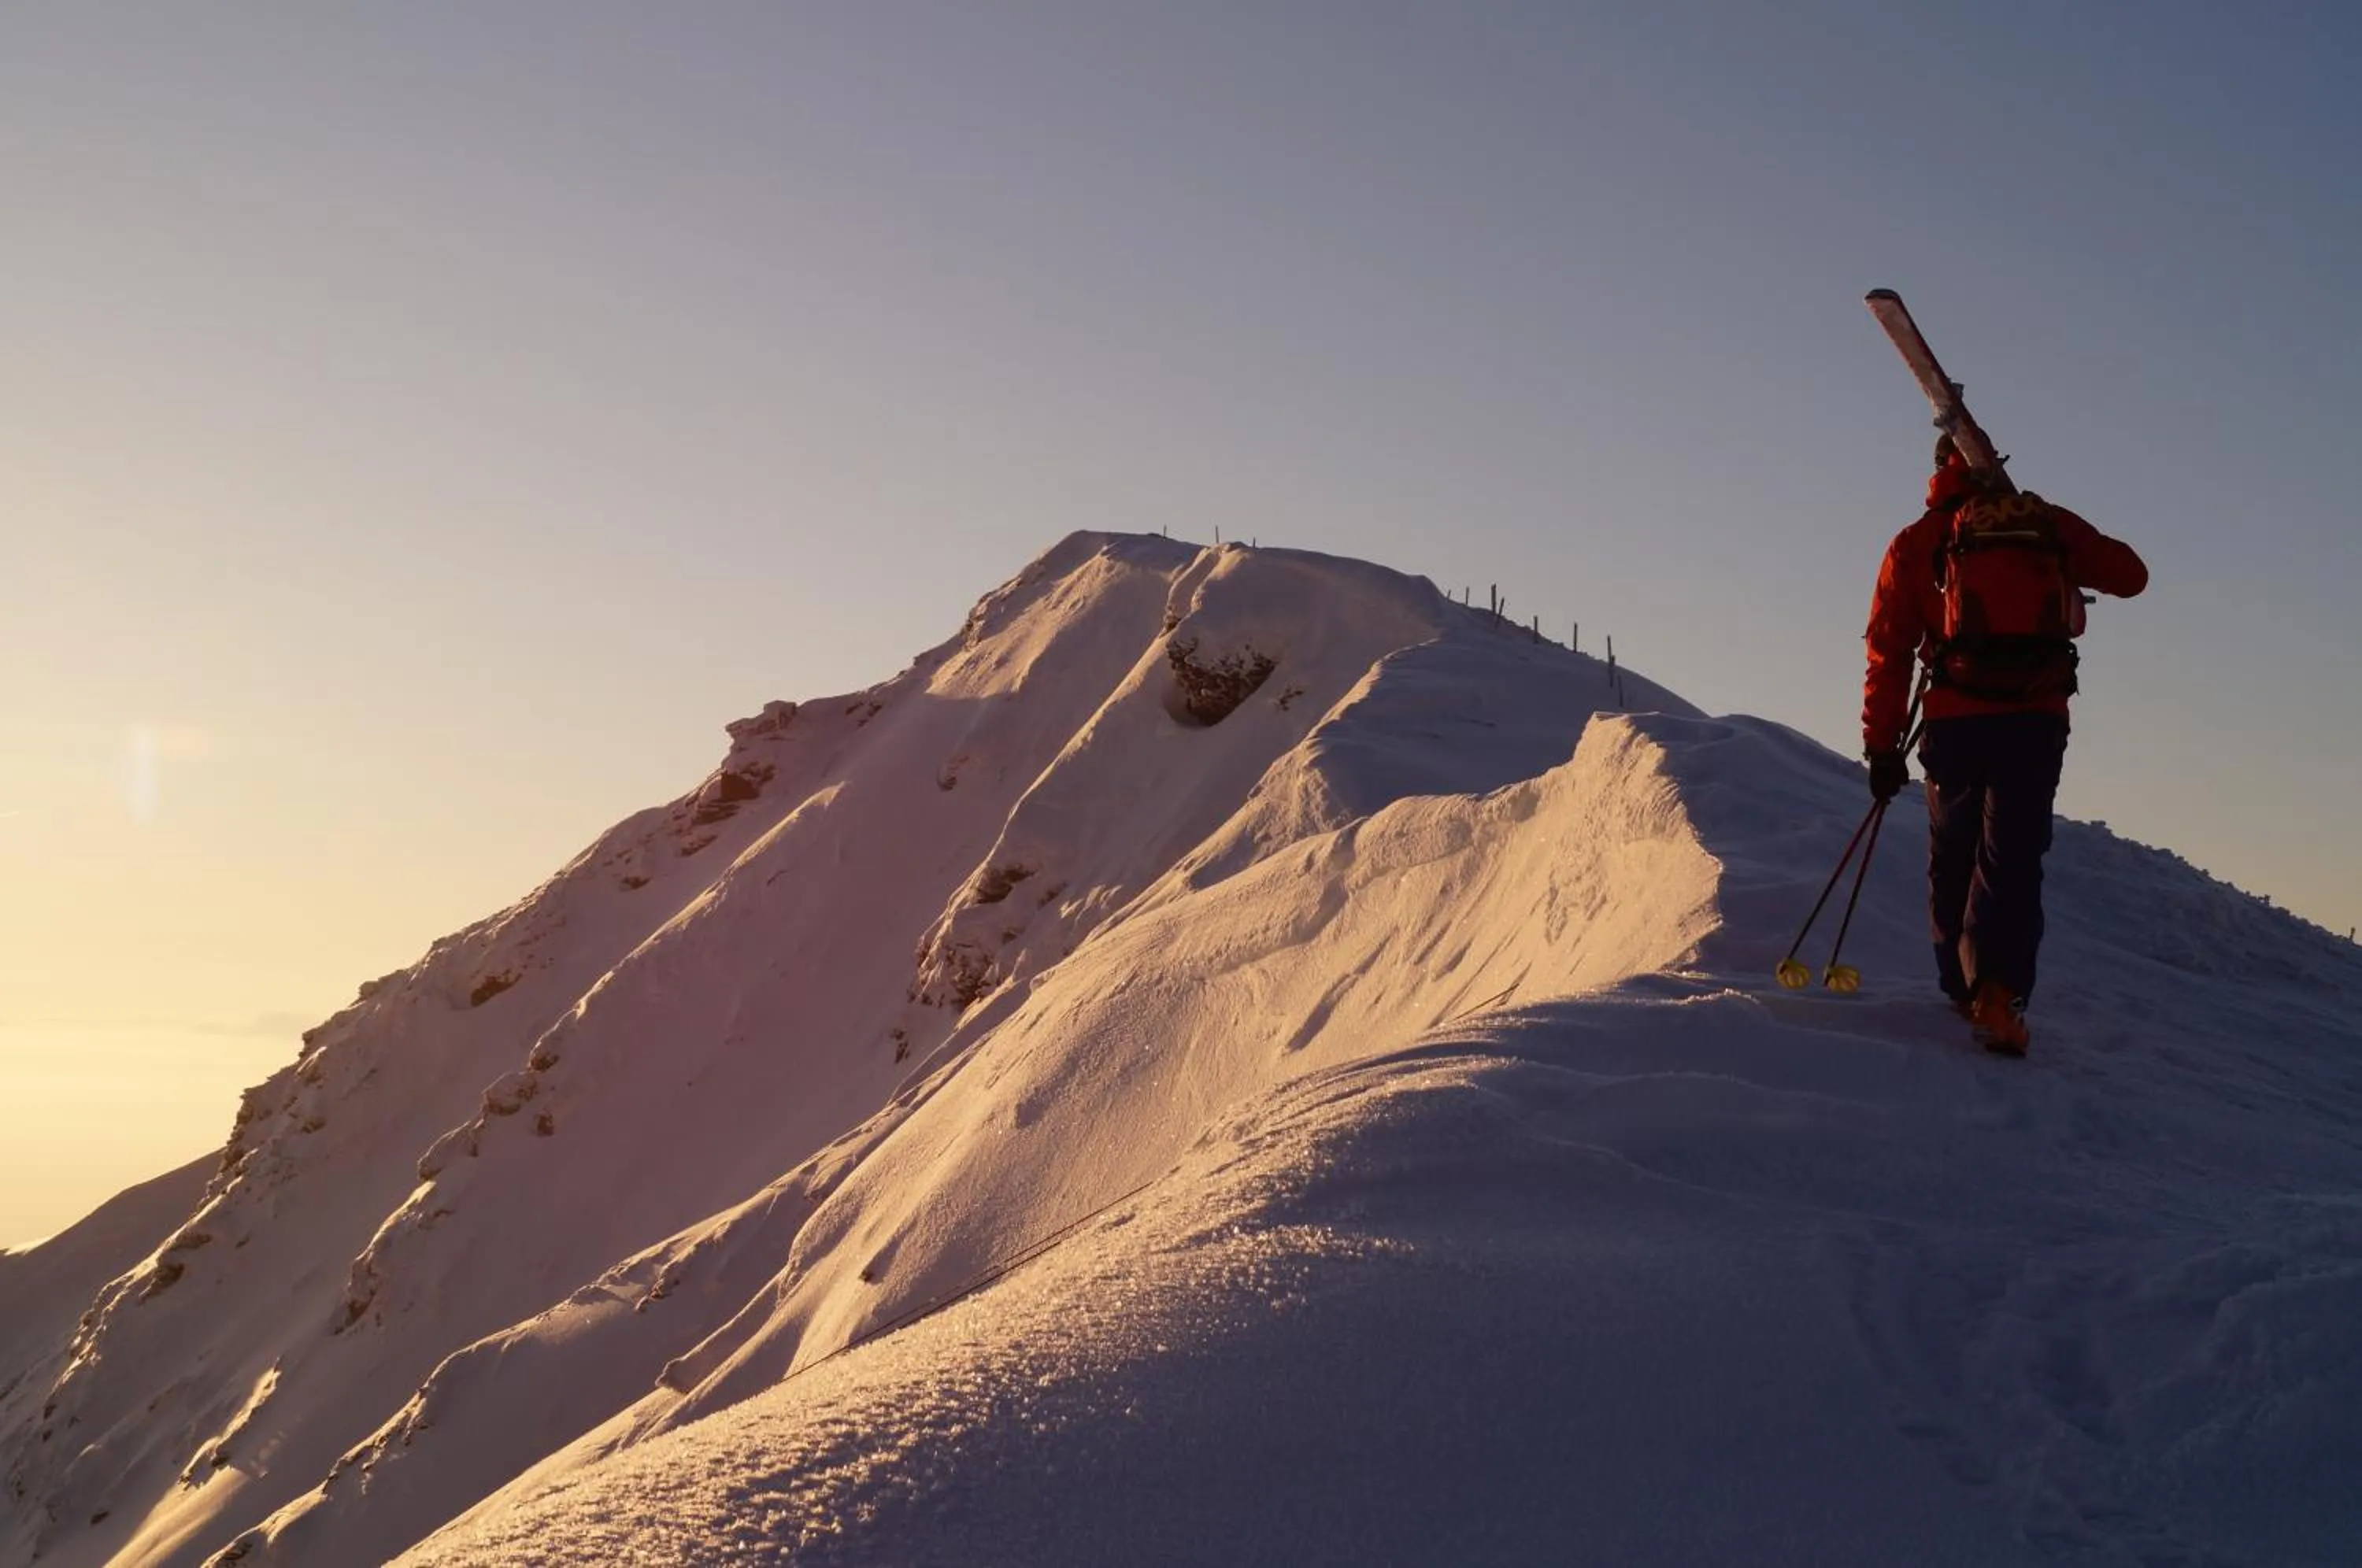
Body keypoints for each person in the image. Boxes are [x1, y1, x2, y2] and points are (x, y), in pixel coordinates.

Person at [1861, 435, 2149, 1054]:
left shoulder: (1915, 543)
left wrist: (1882, 749)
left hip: (1955, 721)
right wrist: (2048, 531)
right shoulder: (2043, 524)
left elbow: (1887, 651)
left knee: (1954, 853)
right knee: (2012, 856)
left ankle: (1960, 987)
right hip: (2033, 718)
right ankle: (2000, 997)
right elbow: (2132, 576)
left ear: (1940, 471)